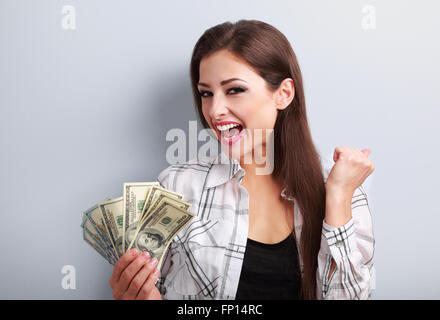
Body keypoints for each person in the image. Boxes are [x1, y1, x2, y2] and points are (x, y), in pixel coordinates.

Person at [109, 19, 375, 300]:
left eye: (234, 89)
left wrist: (337, 197)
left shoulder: (342, 191)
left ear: (283, 94)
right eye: (206, 93)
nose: (215, 109)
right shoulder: (176, 186)